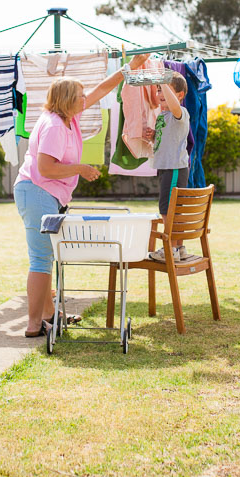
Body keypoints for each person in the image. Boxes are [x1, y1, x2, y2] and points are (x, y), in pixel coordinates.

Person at [14, 54, 147, 337]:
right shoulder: (53, 126)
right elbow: (45, 167)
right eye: (79, 95)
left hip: (44, 194)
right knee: (40, 259)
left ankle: (50, 315)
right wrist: (82, 169)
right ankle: (34, 324)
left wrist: (129, 68)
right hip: (37, 191)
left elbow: (101, 89)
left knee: (46, 257)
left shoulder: (67, 117)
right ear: (66, 100)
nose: (84, 97)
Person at [144, 71, 190, 262]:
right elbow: (168, 138)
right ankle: (178, 248)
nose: (161, 93)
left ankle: (169, 249)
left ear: (179, 95)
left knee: (167, 210)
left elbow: (174, 106)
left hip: (173, 169)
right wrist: (154, 135)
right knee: (173, 210)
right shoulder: (163, 116)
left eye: (166, 89)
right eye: (159, 90)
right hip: (166, 168)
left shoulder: (180, 113)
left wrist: (162, 81)